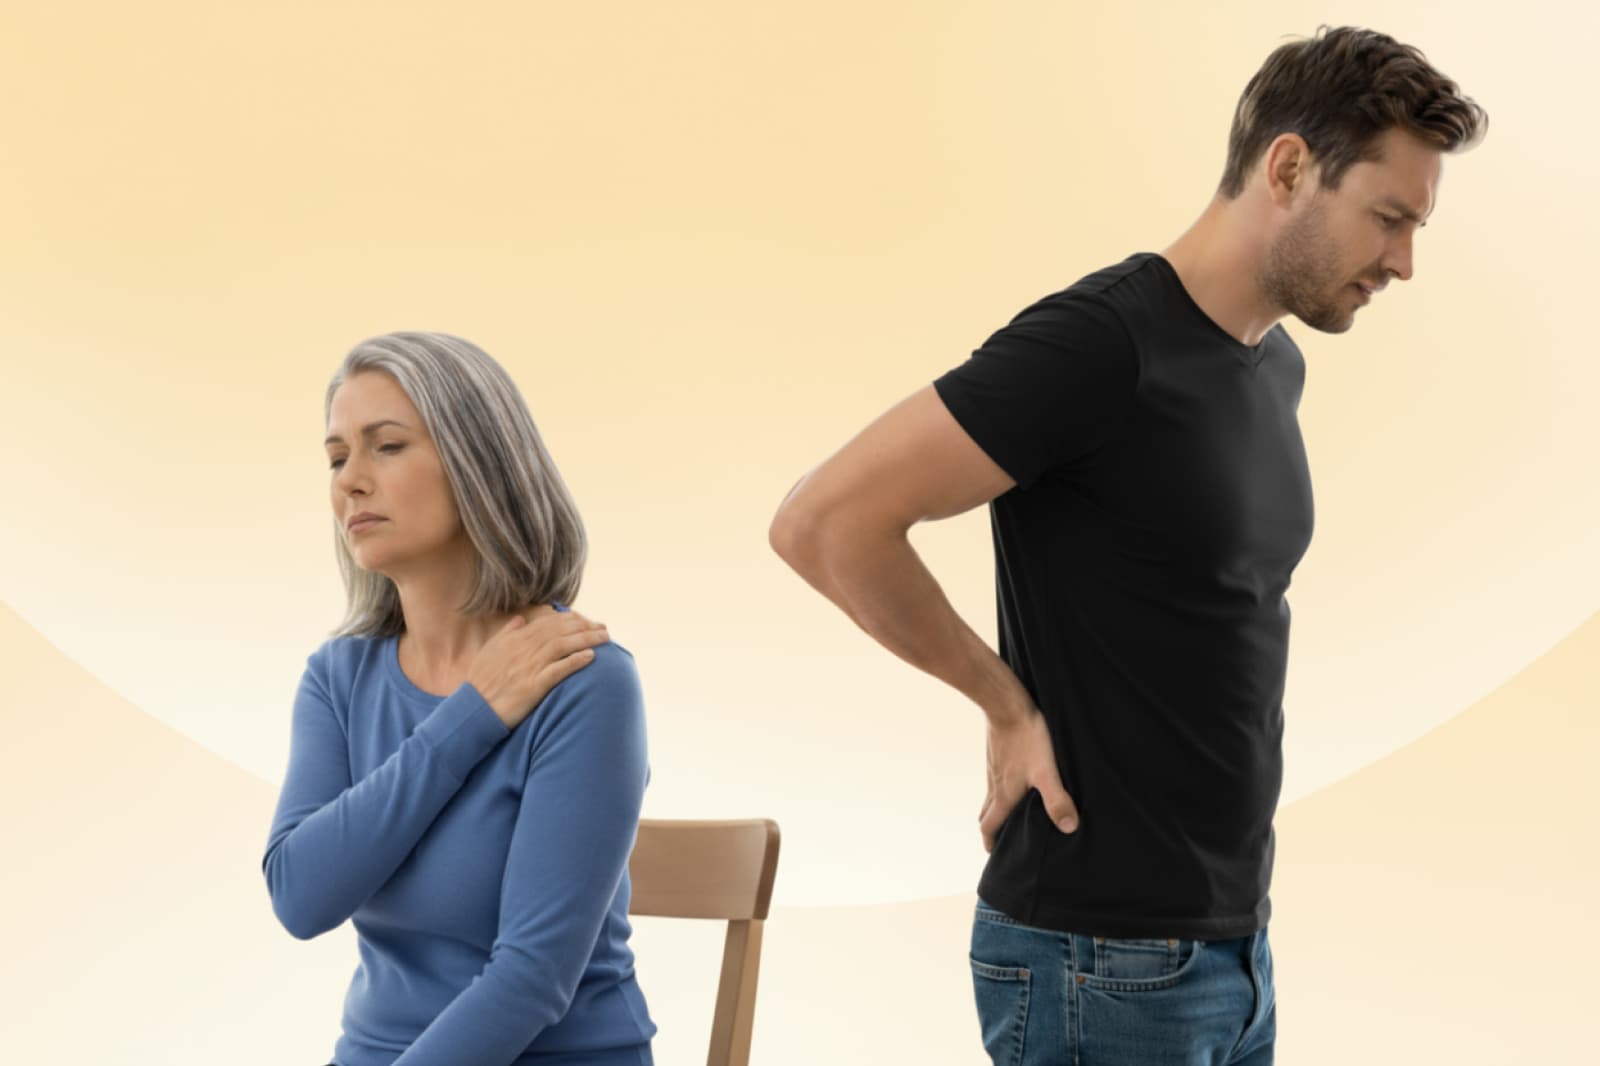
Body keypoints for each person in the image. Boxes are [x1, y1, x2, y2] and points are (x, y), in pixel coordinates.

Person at [768, 25, 1486, 1066]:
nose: (1404, 263)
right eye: (1388, 218)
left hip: (1230, 952)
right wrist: (1002, 701)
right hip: (1098, 960)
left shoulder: (1273, 367)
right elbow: (824, 522)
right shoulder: (1101, 345)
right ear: (1288, 168)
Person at [263, 332, 656, 1066]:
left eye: (387, 446)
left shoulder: (582, 679)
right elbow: (300, 897)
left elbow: (531, 980)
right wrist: (473, 715)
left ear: (480, 463)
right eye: (337, 458)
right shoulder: (338, 679)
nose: (351, 482)